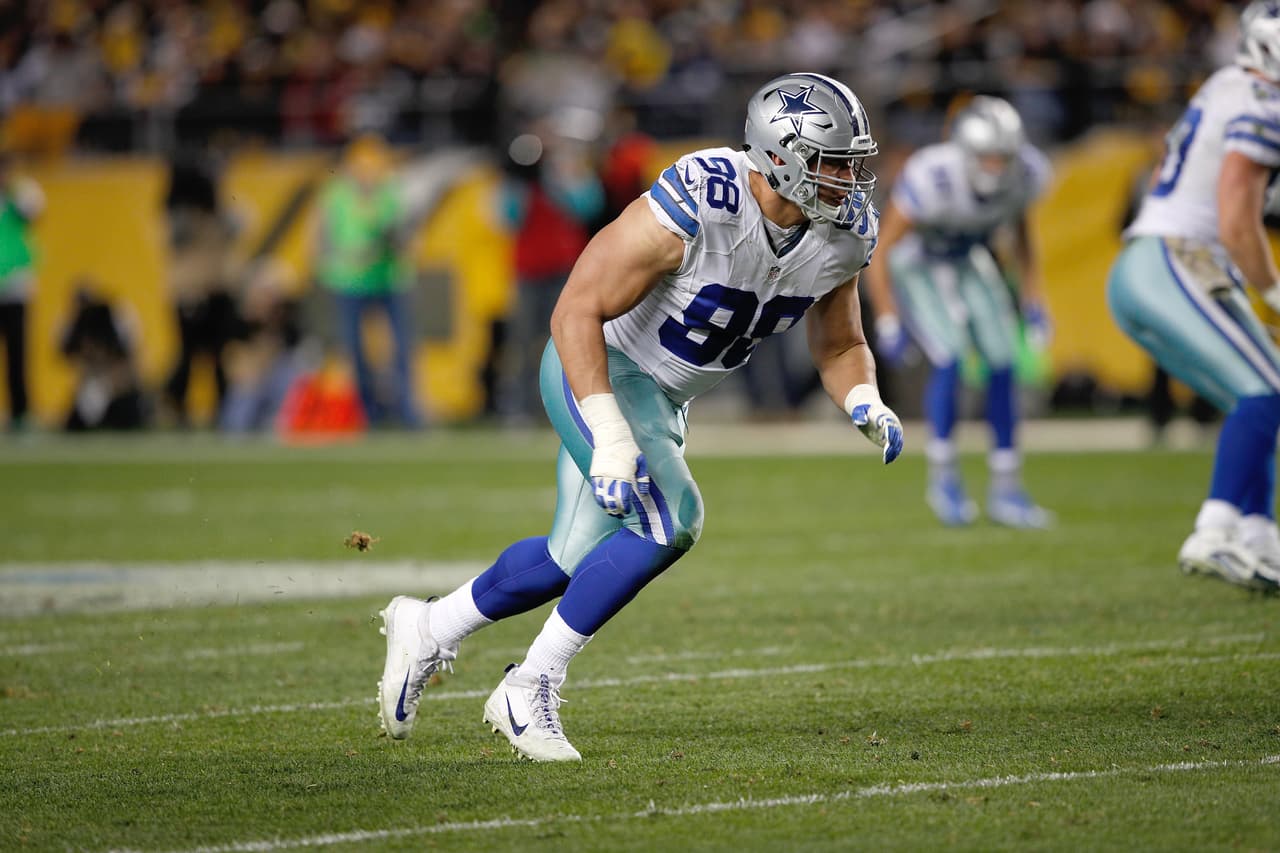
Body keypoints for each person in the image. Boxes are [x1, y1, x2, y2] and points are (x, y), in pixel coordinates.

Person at [375, 73, 903, 762]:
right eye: (832, 162)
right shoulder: (703, 200)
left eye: (850, 163)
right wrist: (613, 433)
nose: (848, 179)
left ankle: (430, 625)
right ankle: (528, 683)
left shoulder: (841, 235)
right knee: (670, 519)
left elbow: (839, 343)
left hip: (662, 398)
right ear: (781, 155)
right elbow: (575, 310)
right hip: (597, 367)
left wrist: (865, 397)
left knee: (570, 560)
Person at [1107, 0, 1280, 590]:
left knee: (1255, 400)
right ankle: (1216, 529)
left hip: (1146, 262)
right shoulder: (1262, 101)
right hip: (1178, 257)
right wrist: (1273, 294)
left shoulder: (1224, 84)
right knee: (1266, 389)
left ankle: (1260, 538)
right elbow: (1236, 217)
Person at [863, 96, 1054, 528]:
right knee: (949, 357)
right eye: (987, 156)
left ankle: (1007, 487)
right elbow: (884, 250)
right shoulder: (933, 176)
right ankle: (944, 479)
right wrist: (889, 319)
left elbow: (1022, 237)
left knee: (1004, 360)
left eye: (1003, 157)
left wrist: (1034, 301)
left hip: (970, 258)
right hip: (919, 262)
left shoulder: (1026, 173)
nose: (996, 167)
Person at [313, 133, 423, 428]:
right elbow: (322, 239)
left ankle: (406, 413)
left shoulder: (391, 191)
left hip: (390, 279)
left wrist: (391, 239)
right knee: (356, 352)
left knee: (401, 350)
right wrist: (332, 268)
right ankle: (369, 414)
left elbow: (405, 236)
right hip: (349, 283)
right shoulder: (335, 194)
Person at [0, 149, 43, 431]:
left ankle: (21, 414)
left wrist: (9, 190)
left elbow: (32, 213)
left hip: (15, 288)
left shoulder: (22, 193)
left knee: (17, 356)